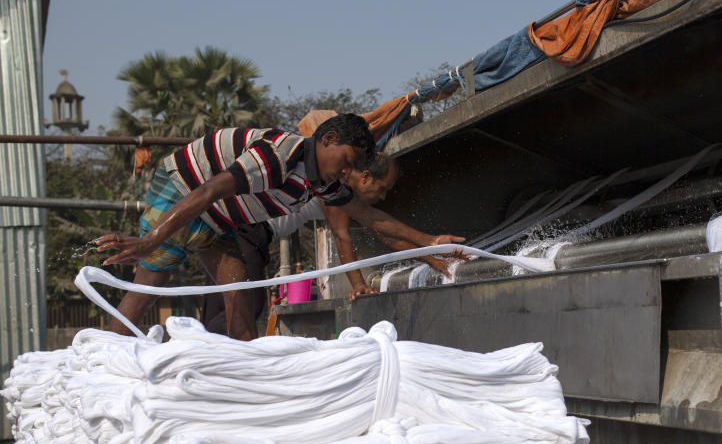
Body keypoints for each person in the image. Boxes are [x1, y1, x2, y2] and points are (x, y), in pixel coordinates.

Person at [96, 114, 463, 340]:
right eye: (347, 161)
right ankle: (102, 359)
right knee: (148, 288)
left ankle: (249, 372)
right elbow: (208, 190)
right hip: (184, 190)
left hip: (219, 218)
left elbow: (371, 219)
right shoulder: (277, 157)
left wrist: (430, 242)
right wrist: (151, 239)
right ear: (328, 140)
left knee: (240, 287)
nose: (347, 172)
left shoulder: (323, 182)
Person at [265, 152, 461, 301]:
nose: (383, 197)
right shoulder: (336, 185)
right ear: (366, 177)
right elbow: (342, 236)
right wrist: (359, 284)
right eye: (382, 189)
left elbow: (387, 235)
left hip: (265, 233)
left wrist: (430, 259)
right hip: (256, 228)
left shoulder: (350, 196)